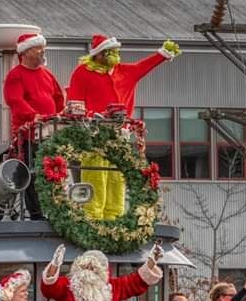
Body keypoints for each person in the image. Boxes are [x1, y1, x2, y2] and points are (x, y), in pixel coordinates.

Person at [66, 33, 182, 220]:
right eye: (110, 51)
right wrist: (90, 117)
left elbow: (144, 66)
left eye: (115, 51)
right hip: (93, 133)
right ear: (99, 54)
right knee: (96, 176)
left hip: (121, 134)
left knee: (116, 178)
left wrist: (163, 54)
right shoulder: (83, 73)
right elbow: (75, 104)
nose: (115, 55)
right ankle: (93, 219)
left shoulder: (125, 72)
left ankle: (114, 218)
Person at [3, 31, 65, 133]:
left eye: (43, 48)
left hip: (50, 130)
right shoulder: (15, 75)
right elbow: (15, 100)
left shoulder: (47, 74)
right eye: (38, 48)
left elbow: (58, 98)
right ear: (25, 52)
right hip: (28, 133)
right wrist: (33, 116)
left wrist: (62, 114)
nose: (42, 51)